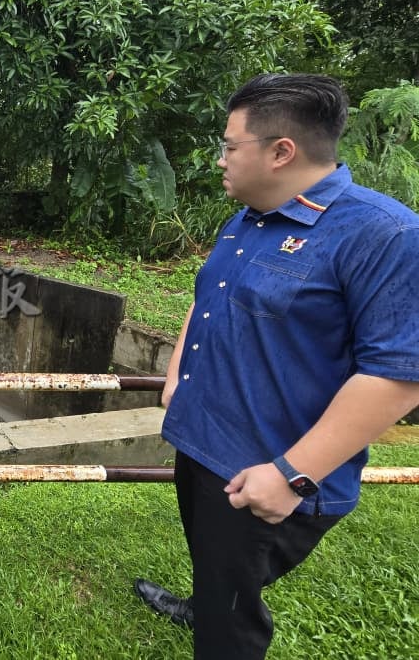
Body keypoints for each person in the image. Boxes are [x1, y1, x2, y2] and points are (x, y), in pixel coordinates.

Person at [133, 73, 419, 659]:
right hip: (203, 440)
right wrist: (177, 370)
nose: (221, 160)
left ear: (281, 151)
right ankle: (204, 603)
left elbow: (397, 375)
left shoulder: (385, 235)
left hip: (264, 468)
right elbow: (208, 294)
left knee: (232, 619)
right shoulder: (248, 218)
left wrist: (292, 474)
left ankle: (218, 621)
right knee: (217, 568)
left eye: (229, 145)